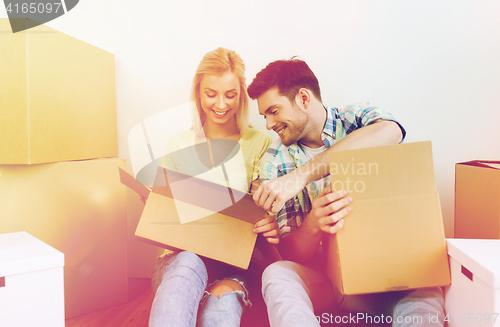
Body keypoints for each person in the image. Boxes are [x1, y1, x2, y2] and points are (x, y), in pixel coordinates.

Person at [247, 58, 445, 326]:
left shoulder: (356, 119)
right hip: (327, 284)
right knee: (277, 274)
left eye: (273, 110)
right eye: (264, 116)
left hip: (392, 275)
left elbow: (392, 131)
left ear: (303, 98)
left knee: (427, 286)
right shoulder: (274, 161)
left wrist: (300, 176)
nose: (269, 124)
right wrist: (315, 222)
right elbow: (291, 253)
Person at [148, 47, 277, 327]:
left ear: (241, 95)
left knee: (223, 305)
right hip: (181, 260)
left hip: (235, 264)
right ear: (197, 93)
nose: (221, 104)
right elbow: (165, 215)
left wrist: (269, 221)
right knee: (188, 264)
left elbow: (264, 214)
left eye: (230, 95)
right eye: (211, 94)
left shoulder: (260, 144)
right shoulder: (179, 143)